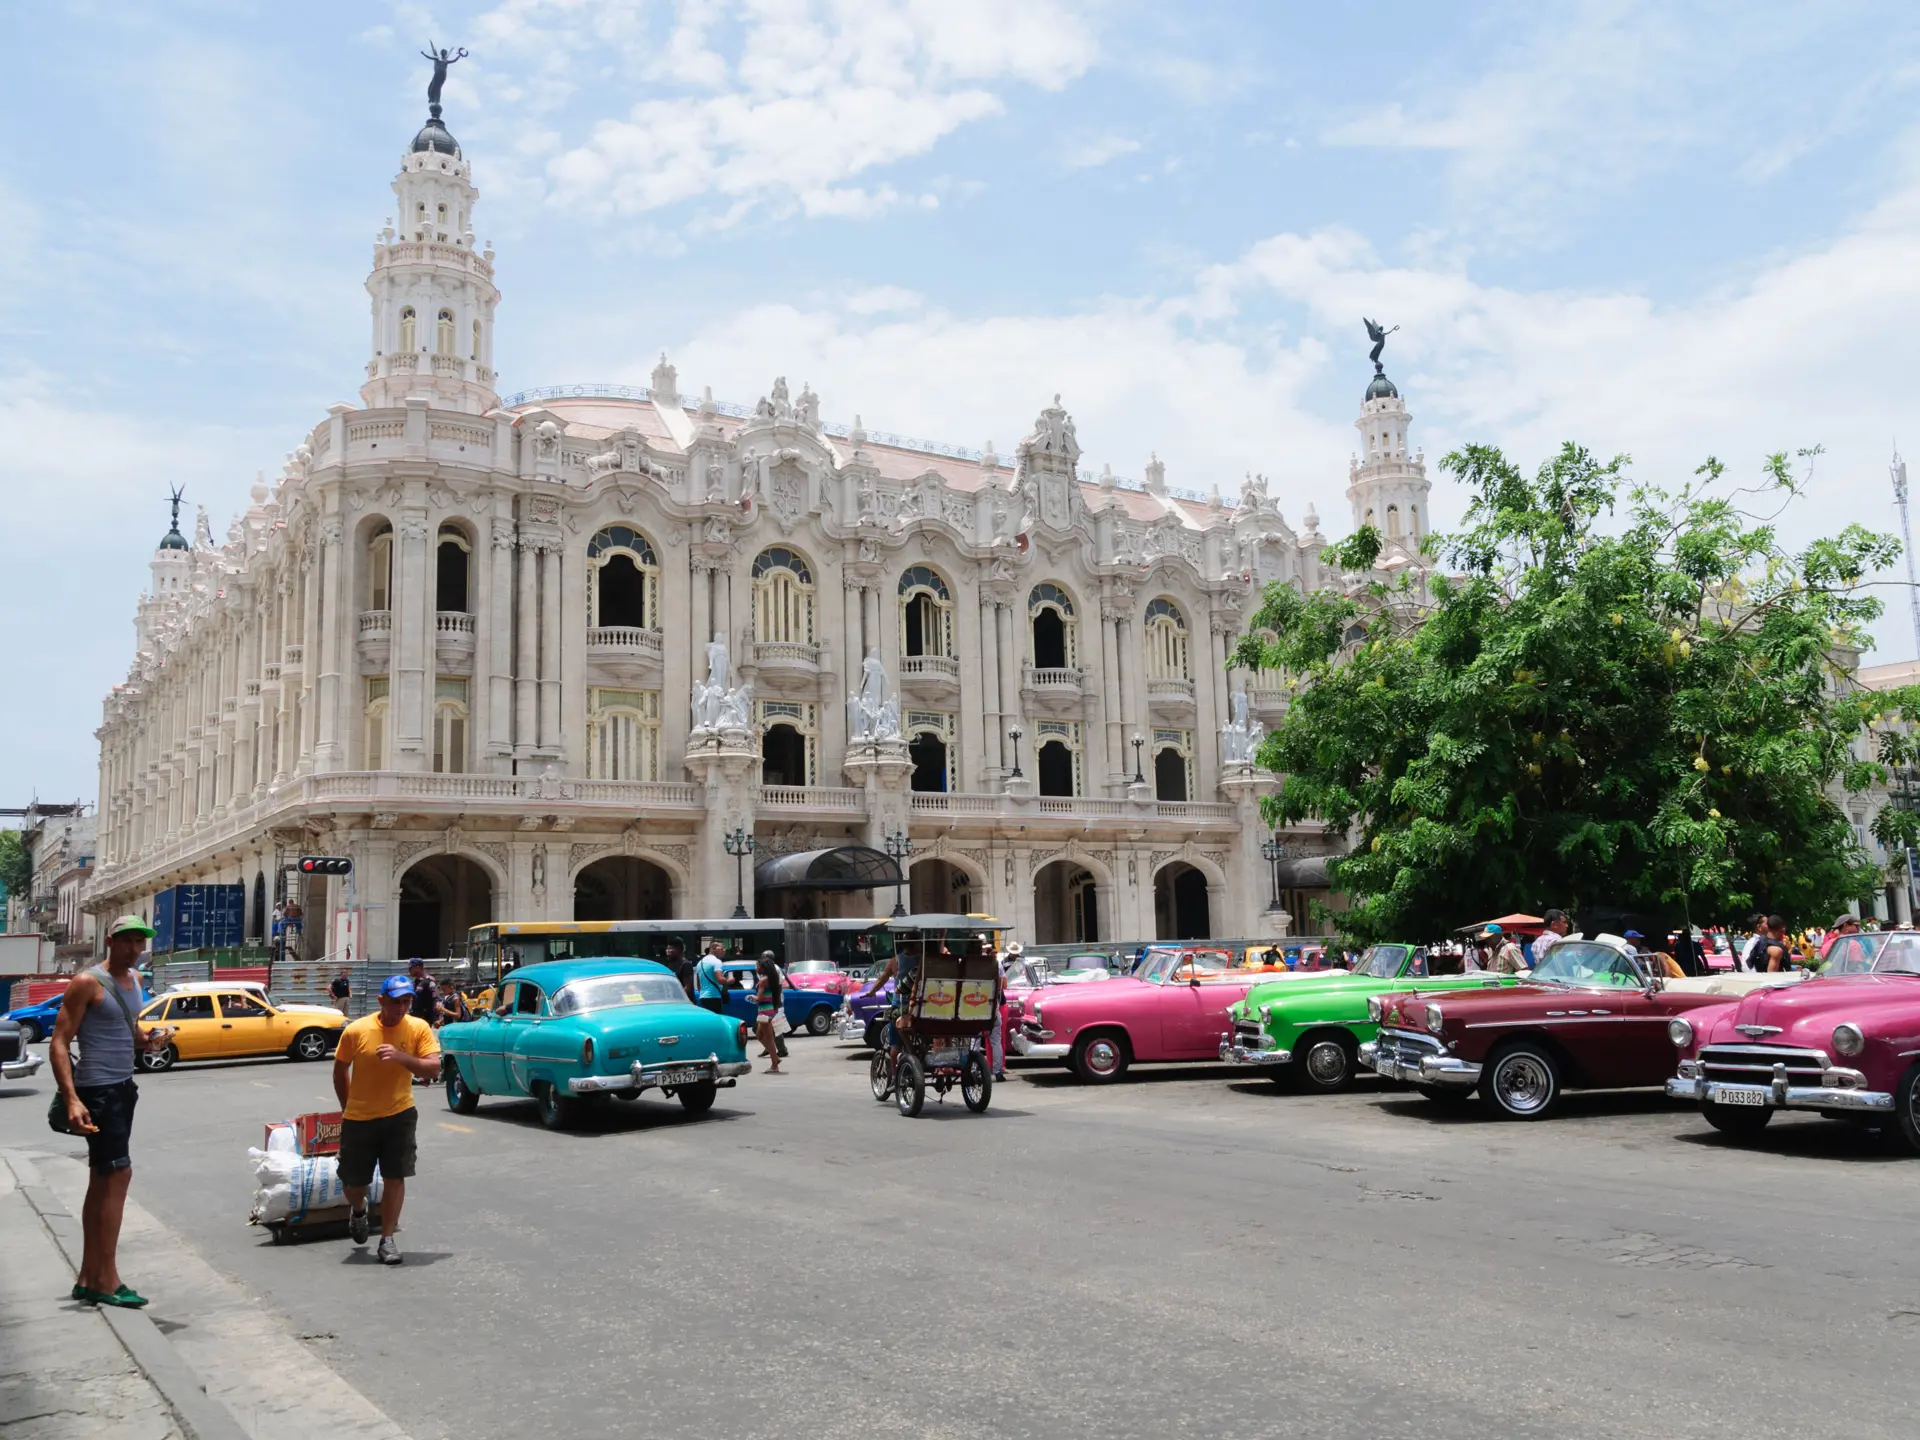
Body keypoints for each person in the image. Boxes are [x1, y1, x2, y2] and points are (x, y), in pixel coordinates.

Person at [49, 915, 170, 1308]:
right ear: (110, 940)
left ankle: (89, 1276)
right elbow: (60, 1042)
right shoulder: (87, 982)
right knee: (119, 1173)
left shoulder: (135, 981)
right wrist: (71, 1098)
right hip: (97, 1090)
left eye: (140, 942)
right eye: (128, 941)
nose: (135, 949)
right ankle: (108, 1280)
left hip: (123, 1086)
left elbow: (128, 1031)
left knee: (103, 1179)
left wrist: (148, 1041)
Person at [334, 976, 442, 1265]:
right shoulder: (357, 1031)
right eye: (396, 1002)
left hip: (400, 1113)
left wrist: (401, 1057)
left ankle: (387, 1239)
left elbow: (433, 1068)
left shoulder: (418, 1028)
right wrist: (347, 1107)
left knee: (396, 1176)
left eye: (406, 1001)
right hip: (359, 1117)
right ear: (381, 1001)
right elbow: (340, 1069)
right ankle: (359, 1210)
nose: (401, 1007)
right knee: (352, 1182)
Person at [754, 951, 784, 1074]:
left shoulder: (762, 981)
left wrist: (751, 996)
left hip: (764, 1012)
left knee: (769, 1038)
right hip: (770, 1010)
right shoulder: (773, 979)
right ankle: (775, 1058)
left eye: (757, 966)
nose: (756, 968)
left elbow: (759, 998)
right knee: (759, 1035)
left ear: (762, 968)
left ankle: (774, 1065)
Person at [693, 941, 728, 1015]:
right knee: (717, 1020)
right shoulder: (716, 961)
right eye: (722, 948)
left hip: (702, 997)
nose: (724, 950)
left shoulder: (700, 963)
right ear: (714, 948)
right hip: (714, 996)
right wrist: (729, 981)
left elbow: (698, 984)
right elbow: (720, 979)